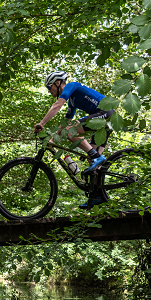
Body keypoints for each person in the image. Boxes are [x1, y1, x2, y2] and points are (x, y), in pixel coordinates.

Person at [33, 71, 114, 209]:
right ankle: (97, 196)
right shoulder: (72, 101)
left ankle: (96, 157)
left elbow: (57, 106)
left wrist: (42, 123)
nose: (49, 91)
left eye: (49, 87)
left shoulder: (71, 86)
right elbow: (65, 124)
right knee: (94, 165)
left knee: (74, 134)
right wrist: (52, 139)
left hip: (105, 112)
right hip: (105, 119)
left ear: (58, 83)